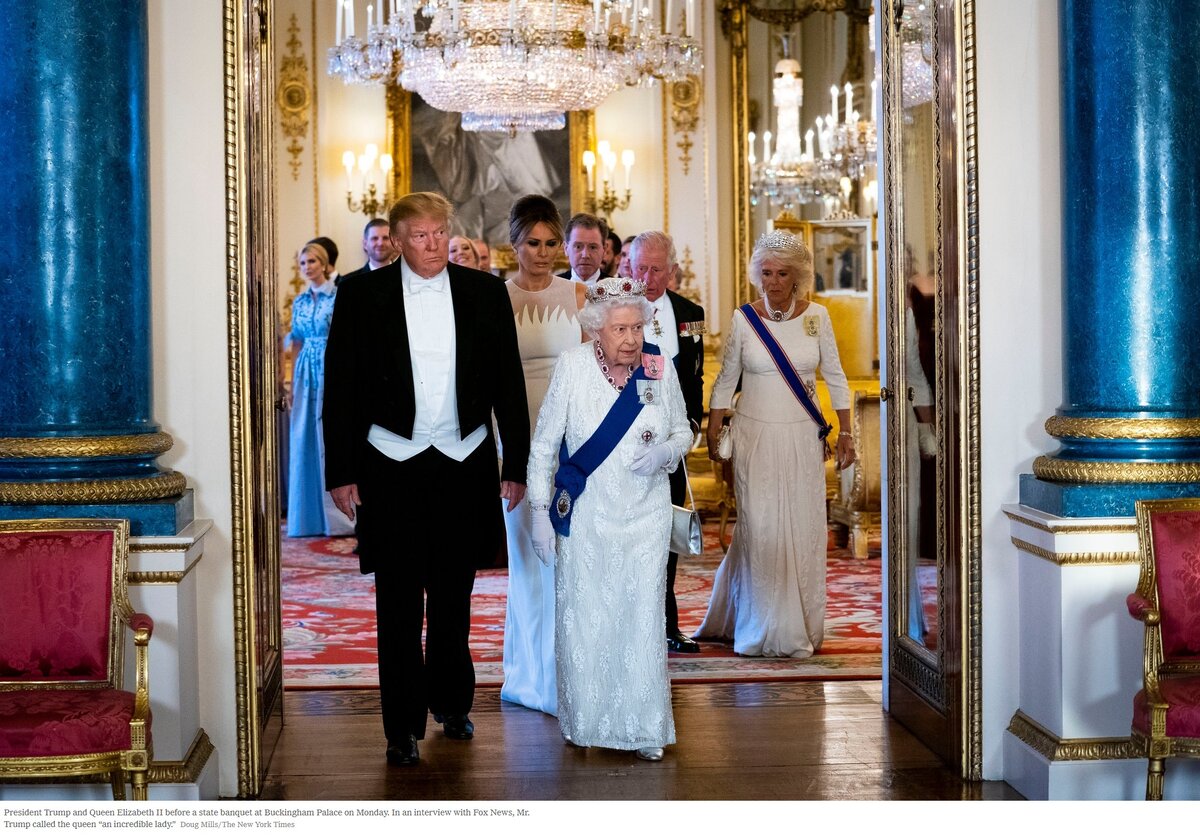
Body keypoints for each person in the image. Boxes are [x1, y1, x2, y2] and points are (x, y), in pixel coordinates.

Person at [322, 191, 530, 767]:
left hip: (463, 463)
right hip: (390, 464)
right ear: (396, 241)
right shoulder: (362, 294)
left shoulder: (485, 293)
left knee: (454, 596)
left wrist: (515, 466)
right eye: (421, 235)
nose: (434, 243)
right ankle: (401, 726)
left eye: (441, 232)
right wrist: (340, 473)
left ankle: (453, 704)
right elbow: (339, 390)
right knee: (397, 599)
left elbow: (509, 387)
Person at [527, 276, 692, 761]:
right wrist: (539, 511)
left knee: (642, 617)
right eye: (620, 329)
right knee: (589, 618)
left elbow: (684, 430)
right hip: (589, 514)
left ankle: (644, 728)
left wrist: (666, 449)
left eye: (637, 327)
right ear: (596, 330)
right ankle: (588, 723)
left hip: (646, 513)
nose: (632, 339)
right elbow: (542, 446)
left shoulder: (658, 366)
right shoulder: (573, 367)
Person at [699, 231, 855, 658]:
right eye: (765, 272)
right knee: (761, 526)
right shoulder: (744, 318)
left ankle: (799, 625)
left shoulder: (817, 317)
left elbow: (836, 377)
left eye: (782, 273)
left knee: (803, 529)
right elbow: (726, 378)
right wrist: (714, 433)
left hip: (803, 435)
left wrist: (847, 431)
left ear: (798, 276)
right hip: (754, 435)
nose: (772, 282)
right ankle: (754, 624)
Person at [499, 195, 588, 717]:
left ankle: (567, 673)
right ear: (514, 244)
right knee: (526, 558)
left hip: (570, 442)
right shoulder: (495, 298)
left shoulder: (578, 295)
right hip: (514, 440)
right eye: (533, 242)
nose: (544, 251)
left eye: (552, 242)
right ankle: (529, 677)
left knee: (568, 557)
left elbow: (591, 373)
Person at [628, 231, 706, 654]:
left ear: (672, 270)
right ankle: (629, 624)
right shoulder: (615, 310)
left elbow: (694, 376)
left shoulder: (690, 313)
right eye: (641, 267)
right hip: (623, 442)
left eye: (657, 268)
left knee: (666, 530)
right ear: (628, 266)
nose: (648, 276)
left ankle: (667, 622)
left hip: (672, 443)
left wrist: (690, 427)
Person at [286, 242, 355, 538]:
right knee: (304, 437)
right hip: (304, 372)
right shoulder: (299, 301)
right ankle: (306, 517)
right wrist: (287, 381)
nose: (307, 266)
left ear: (325, 264)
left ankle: (339, 520)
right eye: (303, 262)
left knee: (331, 437)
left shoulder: (338, 295)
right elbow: (295, 342)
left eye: (312, 261)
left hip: (331, 367)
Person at [557, 213, 609, 285]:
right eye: (578, 247)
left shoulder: (619, 290)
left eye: (593, 247)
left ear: (604, 250)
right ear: (566, 248)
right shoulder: (552, 288)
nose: (585, 255)